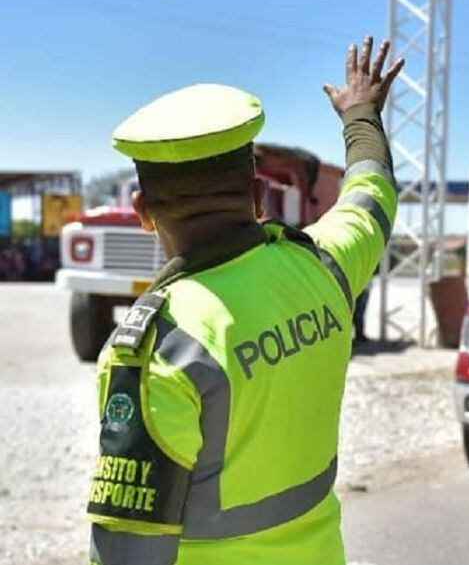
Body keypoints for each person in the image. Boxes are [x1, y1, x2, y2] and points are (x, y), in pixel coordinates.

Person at [85, 36, 402, 565]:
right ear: (258, 196)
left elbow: (126, 552)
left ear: (142, 211)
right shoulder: (322, 266)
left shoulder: (163, 348)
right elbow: (372, 195)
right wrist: (361, 116)